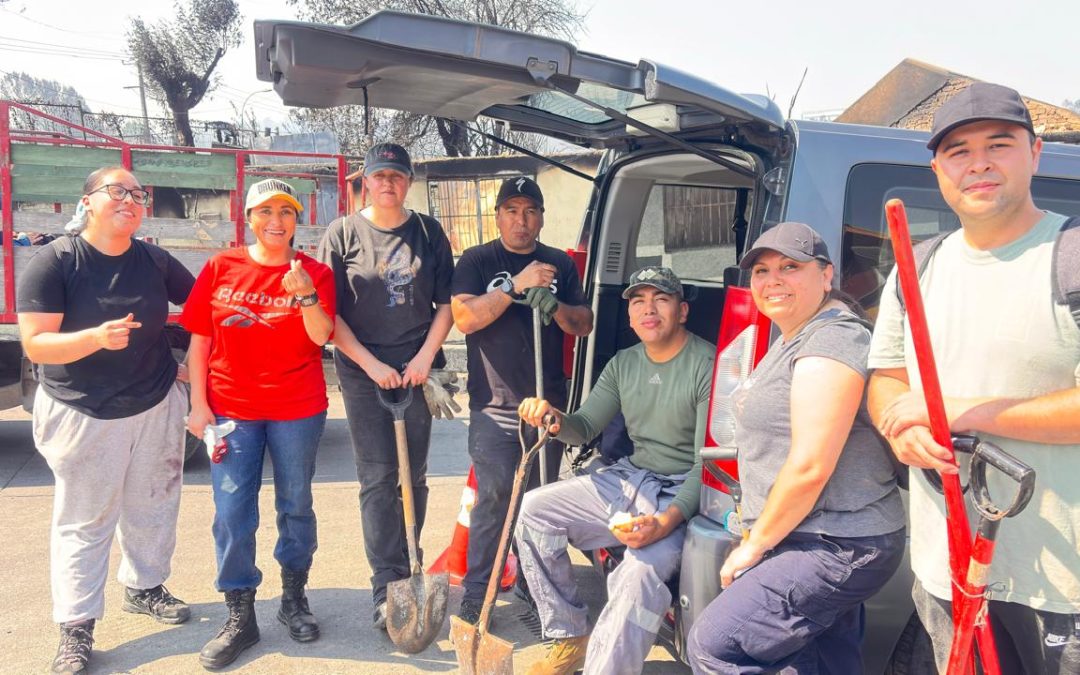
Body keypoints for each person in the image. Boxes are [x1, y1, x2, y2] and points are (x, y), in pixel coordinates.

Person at [867, 82, 1080, 674]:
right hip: (948, 573)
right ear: (937, 168)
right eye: (958, 150)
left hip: (1063, 588)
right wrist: (896, 427)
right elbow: (886, 376)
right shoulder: (920, 266)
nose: (978, 163)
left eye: (999, 144)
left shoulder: (1072, 257)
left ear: (1035, 153)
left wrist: (954, 414)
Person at [685, 222, 906, 673]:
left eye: (790, 266)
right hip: (808, 534)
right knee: (812, 661)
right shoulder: (792, 337)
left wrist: (754, 544)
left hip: (836, 541)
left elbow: (810, 464)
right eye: (762, 271)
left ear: (826, 276)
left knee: (716, 646)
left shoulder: (833, 339)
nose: (773, 280)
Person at [16, 166, 195, 674]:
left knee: (154, 505)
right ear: (88, 201)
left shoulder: (156, 260)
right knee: (86, 520)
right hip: (81, 408)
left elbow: (204, 307)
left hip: (155, 402)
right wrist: (93, 338)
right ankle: (75, 628)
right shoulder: (56, 262)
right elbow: (36, 343)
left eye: (139, 193)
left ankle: (145, 587)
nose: (131, 199)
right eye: (117, 191)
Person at [516, 266, 714, 675]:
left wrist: (665, 521)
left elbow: (705, 465)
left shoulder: (707, 365)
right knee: (534, 510)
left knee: (637, 576)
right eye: (638, 301)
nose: (649, 309)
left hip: (682, 493)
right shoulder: (623, 364)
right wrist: (553, 418)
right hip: (632, 478)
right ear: (629, 315)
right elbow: (584, 426)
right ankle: (569, 633)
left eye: (660, 299)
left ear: (682, 311)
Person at [181, 179, 335, 669]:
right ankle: (240, 613)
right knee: (231, 512)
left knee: (295, 504)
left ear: (297, 220)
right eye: (265, 211)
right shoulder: (220, 267)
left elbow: (321, 337)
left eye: (286, 211)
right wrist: (198, 406)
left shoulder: (315, 272)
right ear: (248, 217)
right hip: (231, 411)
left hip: (298, 407)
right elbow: (201, 342)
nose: (276, 221)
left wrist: (307, 295)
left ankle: (294, 598)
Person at [316, 142, 455, 629]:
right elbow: (327, 314)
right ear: (366, 182)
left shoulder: (428, 232)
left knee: (412, 477)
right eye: (380, 176)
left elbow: (446, 305)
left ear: (408, 182)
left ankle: (413, 566)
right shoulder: (342, 234)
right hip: (363, 372)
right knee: (377, 480)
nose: (388, 184)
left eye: (397, 176)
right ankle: (386, 584)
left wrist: (422, 360)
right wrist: (372, 365)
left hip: (417, 370)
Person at [450, 176, 593, 623]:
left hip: (546, 405)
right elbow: (464, 319)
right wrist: (514, 287)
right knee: (493, 499)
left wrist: (557, 309)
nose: (521, 220)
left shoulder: (558, 264)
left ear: (542, 217)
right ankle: (479, 591)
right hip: (493, 406)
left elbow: (583, 322)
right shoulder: (476, 260)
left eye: (529, 211)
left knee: (540, 500)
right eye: (511, 210)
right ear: (498, 217)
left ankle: (536, 585)